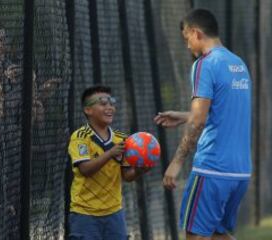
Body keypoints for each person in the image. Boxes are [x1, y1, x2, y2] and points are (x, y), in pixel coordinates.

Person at [154, 9, 252, 240]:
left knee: (196, 236)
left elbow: (199, 121)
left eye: (186, 39)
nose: (187, 46)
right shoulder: (237, 63)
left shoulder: (204, 64)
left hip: (212, 169)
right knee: (218, 235)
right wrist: (184, 115)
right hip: (240, 172)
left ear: (196, 33)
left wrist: (177, 162)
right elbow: (222, 112)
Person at [68, 85, 149, 240]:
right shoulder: (80, 137)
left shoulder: (122, 139)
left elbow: (127, 175)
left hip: (114, 214)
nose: (109, 107)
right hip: (85, 214)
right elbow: (85, 169)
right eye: (103, 103)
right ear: (88, 110)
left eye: (112, 103)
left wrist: (140, 170)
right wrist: (110, 153)